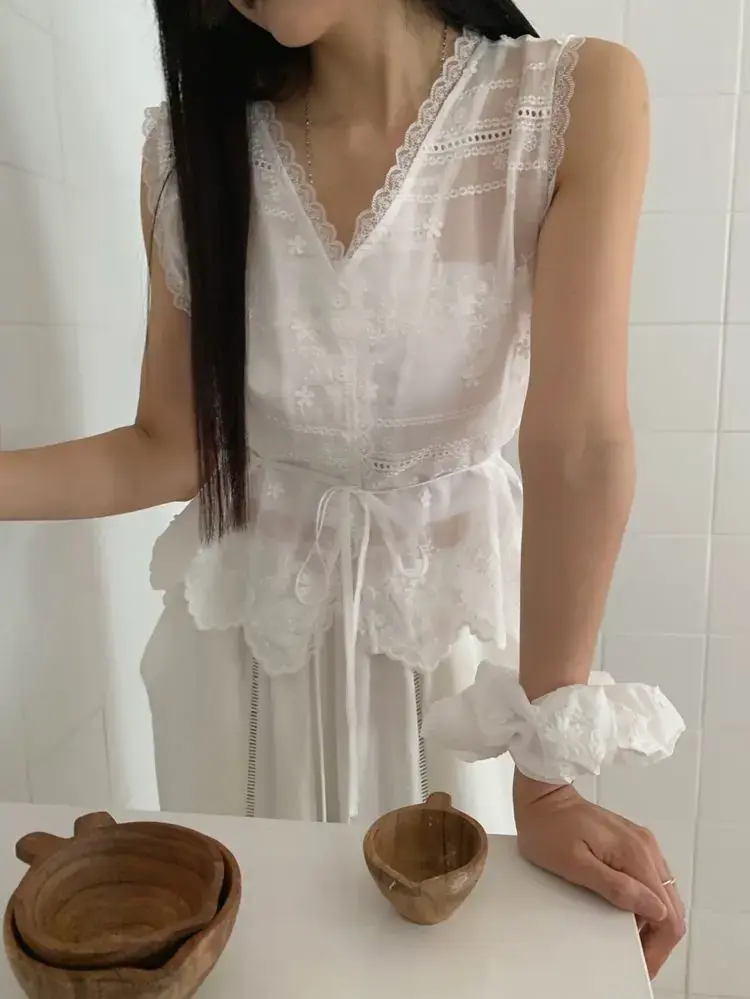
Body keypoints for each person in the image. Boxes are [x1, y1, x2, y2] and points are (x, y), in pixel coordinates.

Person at [0, 0, 685, 977]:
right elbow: (171, 446)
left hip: (450, 664)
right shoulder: (188, 153)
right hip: (243, 661)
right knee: (252, 957)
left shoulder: (564, 104)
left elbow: (577, 444)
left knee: (448, 962)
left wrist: (548, 779)